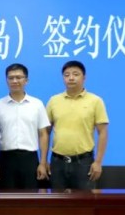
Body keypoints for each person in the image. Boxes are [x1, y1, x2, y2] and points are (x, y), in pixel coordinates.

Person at [46, 60, 109, 191]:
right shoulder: (54, 101)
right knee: (56, 201)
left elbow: (102, 132)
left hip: (83, 162)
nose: (71, 78)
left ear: (84, 77)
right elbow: (45, 132)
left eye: (76, 74)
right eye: (67, 75)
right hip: (57, 162)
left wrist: (98, 162)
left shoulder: (95, 101)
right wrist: (43, 161)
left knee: (84, 201)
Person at [0, 63, 51, 190]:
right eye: (11, 78)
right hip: (6, 159)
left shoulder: (37, 104)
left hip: (30, 159)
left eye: (18, 77)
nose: (15, 81)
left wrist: (42, 162)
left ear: (26, 80)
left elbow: (43, 134)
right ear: (6, 80)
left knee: (30, 198)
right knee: (6, 197)